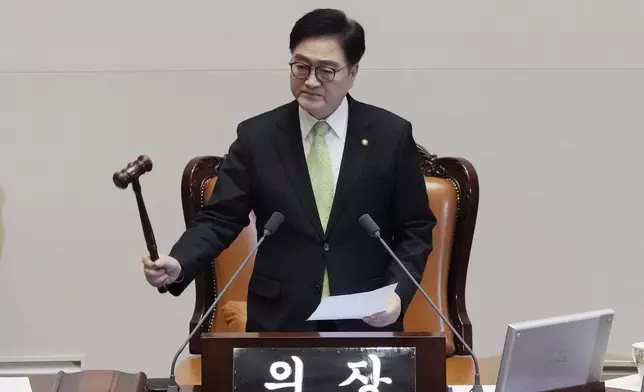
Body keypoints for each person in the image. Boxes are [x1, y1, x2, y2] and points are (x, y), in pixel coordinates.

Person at [142, 8, 437, 333]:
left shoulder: (390, 135)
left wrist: (397, 293)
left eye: (326, 70)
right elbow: (221, 218)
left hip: (366, 318)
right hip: (280, 320)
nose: (310, 81)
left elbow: (415, 228)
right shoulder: (258, 137)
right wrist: (180, 261)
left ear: (352, 73)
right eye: (301, 66)